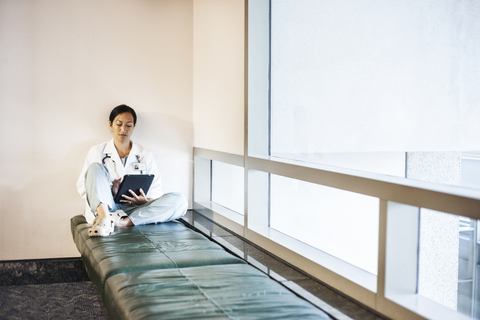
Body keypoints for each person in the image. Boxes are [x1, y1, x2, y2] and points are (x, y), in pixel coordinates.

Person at [76, 104, 187, 237]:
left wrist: (145, 200)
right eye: (119, 124)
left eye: (129, 125)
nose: (124, 129)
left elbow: (156, 187)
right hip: (108, 207)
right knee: (95, 168)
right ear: (111, 125)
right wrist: (110, 191)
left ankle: (125, 222)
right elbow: (84, 186)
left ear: (134, 126)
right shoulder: (97, 151)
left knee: (180, 200)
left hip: (137, 210)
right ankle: (105, 219)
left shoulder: (145, 154)